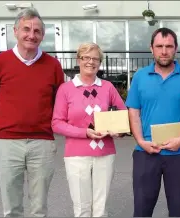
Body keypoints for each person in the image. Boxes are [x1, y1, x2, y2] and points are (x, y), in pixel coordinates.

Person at [0, 8, 65, 217]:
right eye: (26, 29)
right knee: (11, 208)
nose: (32, 35)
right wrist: (4, 125)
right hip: (7, 143)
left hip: (42, 143)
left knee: (39, 208)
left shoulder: (53, 65)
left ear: (42, 35)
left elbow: (59, 101)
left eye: (37, 31)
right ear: (15, 31)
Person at [125, 27, 180, 217]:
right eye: (159, 46)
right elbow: (133, 112)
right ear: (151, 48)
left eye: (169, 46)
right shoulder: (140, 77)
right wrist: (141, 141)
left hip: (179, 153)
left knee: (179, 211)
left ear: (176, 49)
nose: (164, 51)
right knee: (142, 211)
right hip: (146, 152)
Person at [51, 42, 127, 217]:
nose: (91, 62)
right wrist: (84, 132)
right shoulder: (66, 89)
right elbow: (57, 123)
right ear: (78, 60)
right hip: (76, 154)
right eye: (86, 57)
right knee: (82, 208)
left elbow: (123, 113)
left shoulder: (107, 87)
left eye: (95, 59)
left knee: (101, 209)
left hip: (105, 153)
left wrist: (119, 130)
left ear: (99, 62)